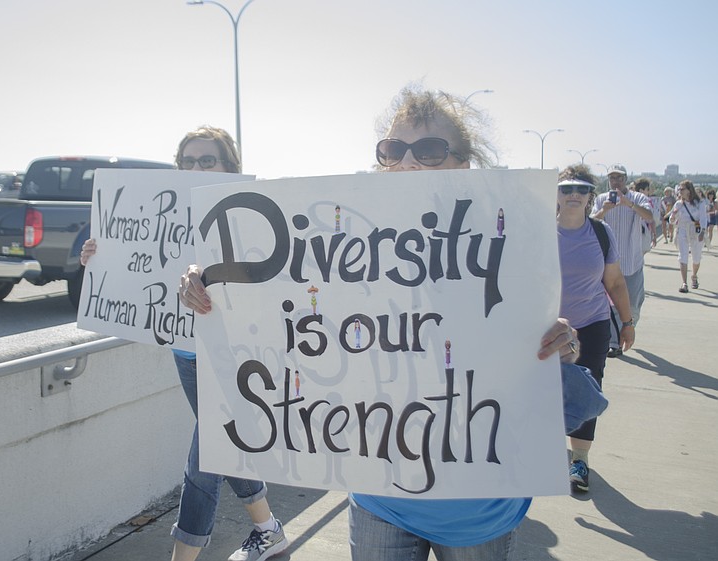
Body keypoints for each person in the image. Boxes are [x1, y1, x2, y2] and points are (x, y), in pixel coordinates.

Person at [179, 87, 602, 561]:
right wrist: (211, 282)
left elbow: (548, 374)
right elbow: (279, 299)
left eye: (429, 150)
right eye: (392, 150)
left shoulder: (505, 247)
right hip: (381, 498)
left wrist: (560, 348)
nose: (407, 162)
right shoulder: (347, 243)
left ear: (463, 164)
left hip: (477, 505)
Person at [80, 126, 288, 561]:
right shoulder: (165, 208)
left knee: (207, 458)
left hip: (231, 354)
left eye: (206, 161)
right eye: (188, 161)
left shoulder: (247, 212)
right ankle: (268, 529)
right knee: (223, 444)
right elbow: (135, 263)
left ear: (230, 167)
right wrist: (100, 256)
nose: (195, 168)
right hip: (186, 351)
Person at [557, 164, 634, 493]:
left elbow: (614, 282)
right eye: (566, 187)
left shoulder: (601, 233)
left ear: (591, 195)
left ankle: (579, 459)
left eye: (582, 188)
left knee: (587, 390)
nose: (574, 193)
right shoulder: (537, 231)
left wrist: (628, 323)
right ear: (556, 194)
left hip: (592, 324)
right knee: (538, 391)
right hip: (547, 329)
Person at [591, 164, 654, 358]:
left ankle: (628, 327)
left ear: (626, 180)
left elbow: (651, 217)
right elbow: (590, 221)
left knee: (633, 305)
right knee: (610, 306)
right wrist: (604, 211)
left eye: (619, 178)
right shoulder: (602, 199)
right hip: (608, 264)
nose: (615, 181)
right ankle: (615, 342)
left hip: (632, 263)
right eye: (612, 178)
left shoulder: (637, 198)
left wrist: (630, 205)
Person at [667, 180, 708, 292]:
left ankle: (694, 275)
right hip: (682, 229)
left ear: (689, 190)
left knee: (696, 257)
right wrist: (673, 215)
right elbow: (671, 221)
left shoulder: (700, 203)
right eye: (679, 189)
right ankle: (684, 283)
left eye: (682, 189)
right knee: (683, 255)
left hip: (696, 230)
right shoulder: (678, 204)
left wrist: (703, 232)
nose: (680, 191)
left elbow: (703, 218)